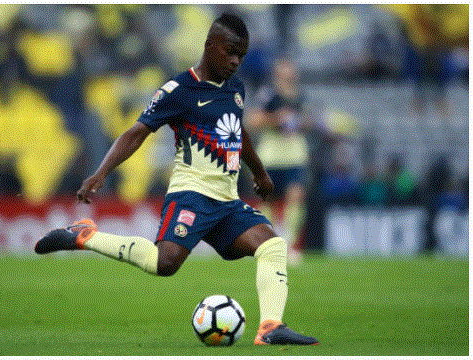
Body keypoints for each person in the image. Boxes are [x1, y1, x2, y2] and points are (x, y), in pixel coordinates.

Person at [35, 13, 318, 346]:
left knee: (272, 245)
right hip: (191, 195)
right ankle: (84, 235)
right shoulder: (178, 90)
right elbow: (136, 132)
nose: (235, 61)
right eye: (230, 52)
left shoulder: (237, 89)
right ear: (210, 46)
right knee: (163, 263)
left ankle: (271, 326)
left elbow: (238, 134)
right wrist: (100, 173)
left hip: (226, 200)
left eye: (241, 55)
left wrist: (259, 173)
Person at [246, 59, 310, 265]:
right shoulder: (268, 95)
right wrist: (277, 118)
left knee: (296, 196)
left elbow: (309, 120)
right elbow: (253, 121)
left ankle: (290, 246)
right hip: (271, 154)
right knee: (267, 201)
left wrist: (300, 122)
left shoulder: (301, 97)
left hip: (294, 154)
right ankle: (270, 244)